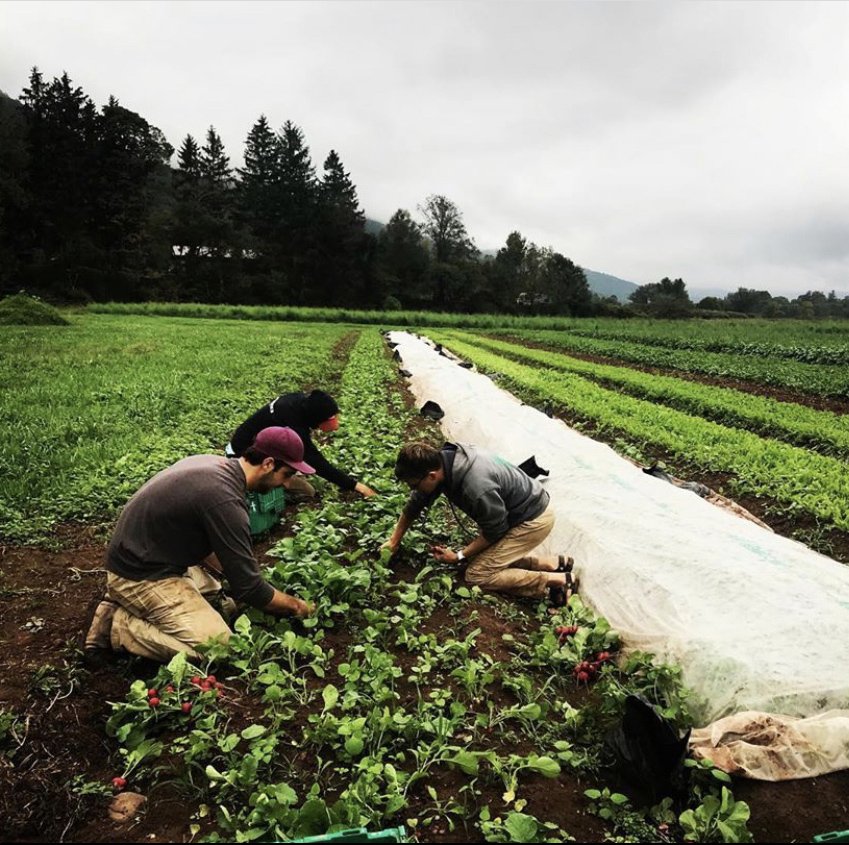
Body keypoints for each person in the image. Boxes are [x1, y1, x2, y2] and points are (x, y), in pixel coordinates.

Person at [84, 427, 315, 663]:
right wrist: (297, 606)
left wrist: (238, 575)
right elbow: (250, 589)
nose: (287, 485)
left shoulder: (216, 466)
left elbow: (228, 562)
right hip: (140, 575)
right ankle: (119, 625)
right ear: (268, 463)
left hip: (157, 556)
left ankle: (127, 604)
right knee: (221, 648)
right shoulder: (225, 499)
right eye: (286, 474)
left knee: (225, 606)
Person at [381, 442, 577, 605]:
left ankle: (557, 581)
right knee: (484, 555)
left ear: (431, 475)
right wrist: (394, 541)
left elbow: (495, 531)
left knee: (477, 574)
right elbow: (415, 504)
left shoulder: (475, 486)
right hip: (519, 513)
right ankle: (552, 564)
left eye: (414, 485)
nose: (413, 489)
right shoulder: (445, 461)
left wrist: (458, 555)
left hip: (533, 521)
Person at [228, 389, 376, 500]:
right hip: (245, 459)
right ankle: (270, 497)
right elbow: (315, 461)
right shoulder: (294, 424)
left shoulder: (298, 402)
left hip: (251, 448)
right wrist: (356, 486)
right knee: (307, 491)